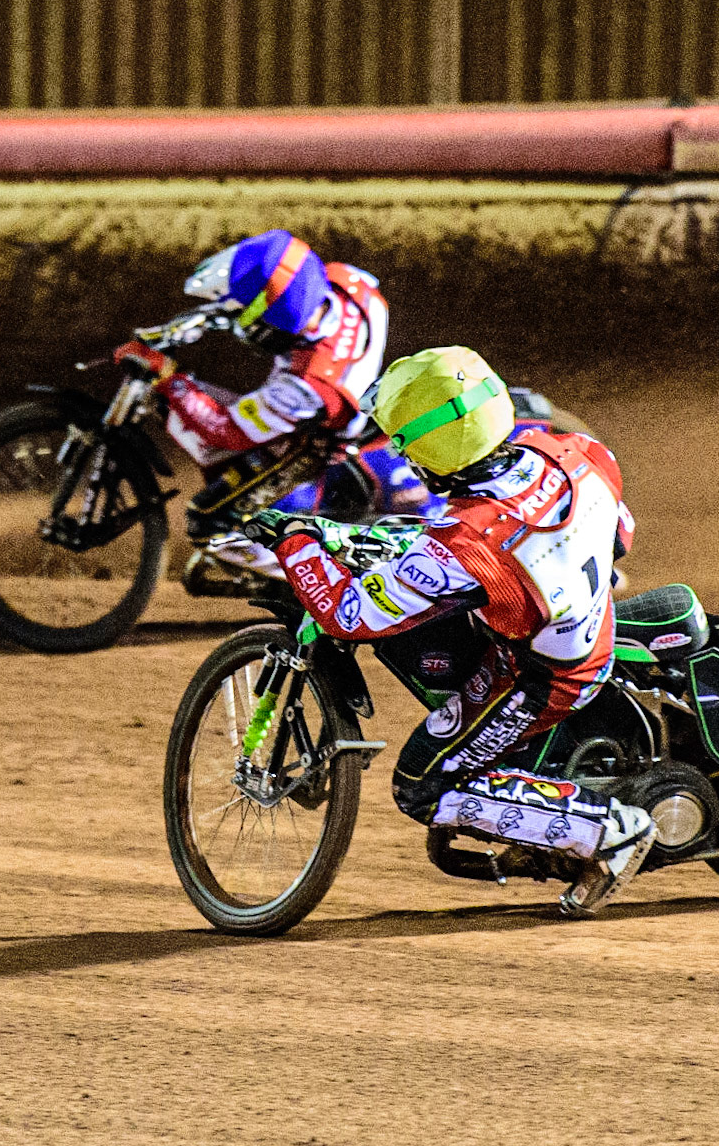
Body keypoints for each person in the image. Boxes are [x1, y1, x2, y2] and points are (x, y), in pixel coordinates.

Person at [243, 344, 656, 917]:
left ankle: (609, 832)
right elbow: (620, 533)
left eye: (404, 441)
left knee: (420, 784)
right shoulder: (569, 450)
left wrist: (293, 542)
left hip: (543, 677)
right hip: (576, 622)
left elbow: (347, 615)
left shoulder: (465, 547)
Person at [113, 230, 437, 581]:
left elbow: (226, 430)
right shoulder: (346, 282)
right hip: (350, 397)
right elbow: (282, 290)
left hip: (314, 444)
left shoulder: (306, 386)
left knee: (209, 522)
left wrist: (169, 380)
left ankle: (309, 583)